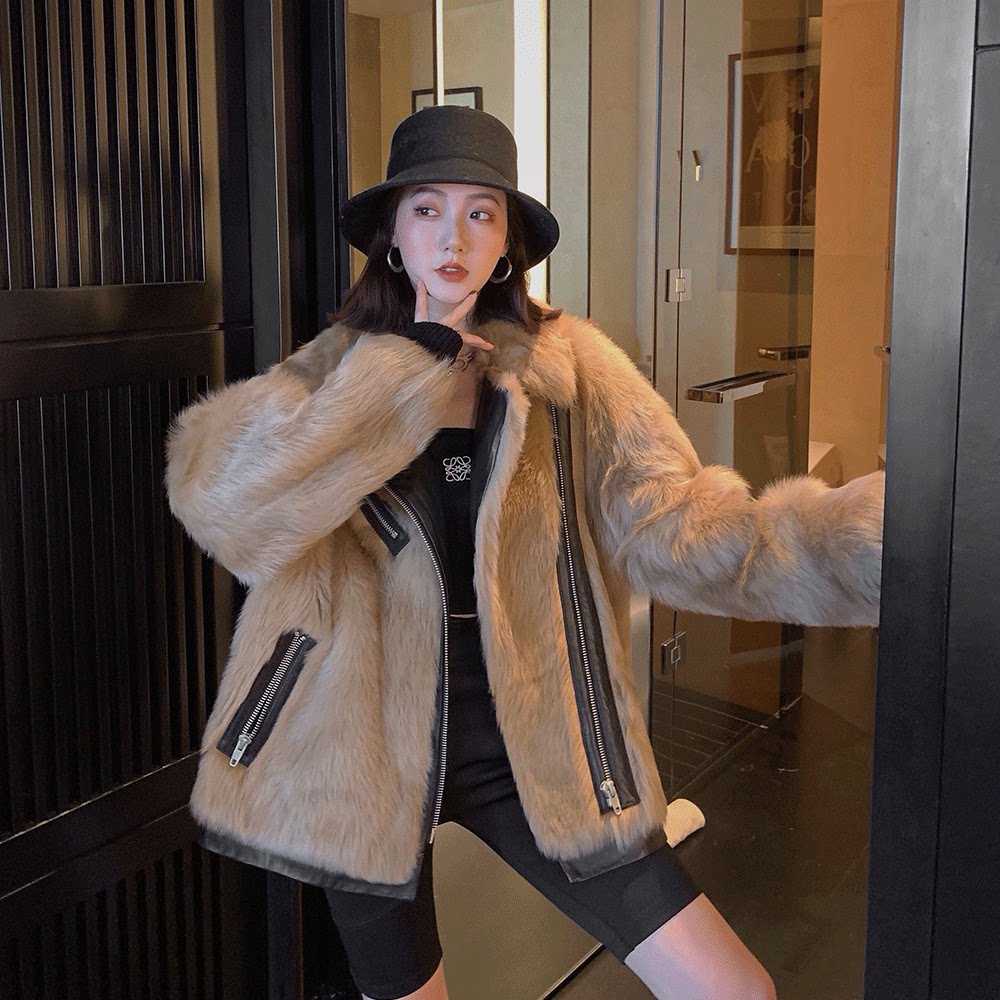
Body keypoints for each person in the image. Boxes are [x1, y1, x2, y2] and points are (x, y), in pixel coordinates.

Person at [165, 105, 884, 1000]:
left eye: (481, 212)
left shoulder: (570, 369)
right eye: (427, 209)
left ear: (508, 243)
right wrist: (398, 376)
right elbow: (220, 501)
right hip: (360, 744)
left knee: (733, 989)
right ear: (393, 235)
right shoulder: (333, 370)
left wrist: (854, 544)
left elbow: (676, 522)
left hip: (534, 732)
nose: (453, 237)